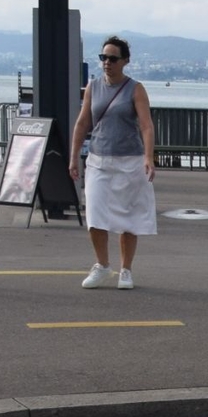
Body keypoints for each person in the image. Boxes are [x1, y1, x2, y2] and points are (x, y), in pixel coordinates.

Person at [68, 35, 159, 288]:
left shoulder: (135, 88)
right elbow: (82, 123)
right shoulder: (93, 87)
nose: (107, 62)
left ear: (125, 61)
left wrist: (148, 157)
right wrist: (74, 156)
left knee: (128, 217)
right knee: (95, 215)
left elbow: (146, 125)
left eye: (112, 58)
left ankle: (126, 270)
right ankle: (102, 265)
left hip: (129, 160)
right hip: (98, 159)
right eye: (103, 58)